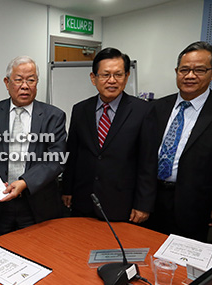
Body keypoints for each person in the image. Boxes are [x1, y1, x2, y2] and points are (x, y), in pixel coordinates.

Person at [146, 41, 212, 242]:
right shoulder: (157, 107)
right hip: (152, 200)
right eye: (184, 69)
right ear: (176, 71)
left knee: (185, 265)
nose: (190, 76)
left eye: (199, 70)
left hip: (196, 206)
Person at [0, 56, 67, 237]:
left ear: (37, 82)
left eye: (31, 80)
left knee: (39, 255)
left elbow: (56, 160)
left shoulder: (54, 116)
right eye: (19, 79)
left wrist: (25, 182)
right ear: (7, 82)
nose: (25, 86)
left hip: (37, 205)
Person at [61, 48, 156, 223]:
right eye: (105, 75)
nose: (112, 81)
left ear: (126, 77)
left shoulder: (143, 111)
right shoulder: (80, 109)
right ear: (93, 78)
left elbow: (147, 163)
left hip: (122, 204)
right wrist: (67, 189)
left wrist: (143, 204)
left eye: (118, 75)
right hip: (83, 200)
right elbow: (72, 154)